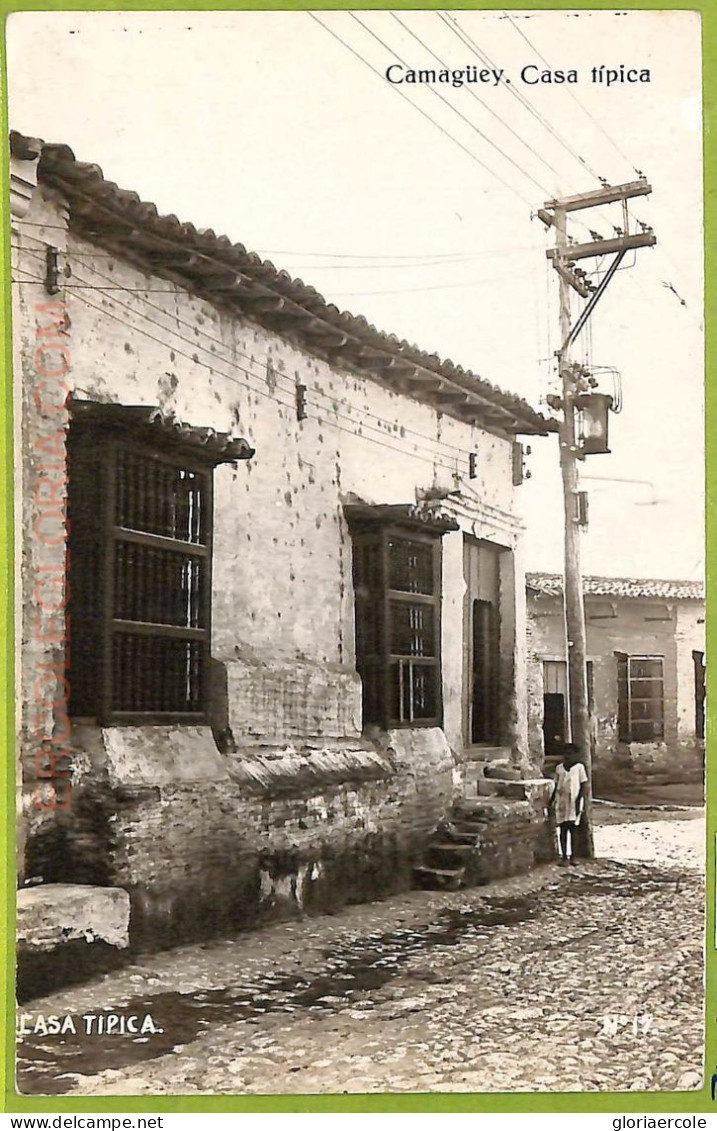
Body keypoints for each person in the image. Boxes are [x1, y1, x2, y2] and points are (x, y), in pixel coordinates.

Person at [549, 743, 589, 865]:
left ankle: (573, 856)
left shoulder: (579, 767)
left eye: (570, 754)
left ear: (575, 755)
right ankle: (564, 856)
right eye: (566, 754)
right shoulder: (559, 768)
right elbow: (556, 785)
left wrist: (580, 801)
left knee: (573, 829)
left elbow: (584, 785)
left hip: (574, 801)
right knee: (563, 829)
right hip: (562, 801)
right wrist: (551, 800)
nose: (568, 756)